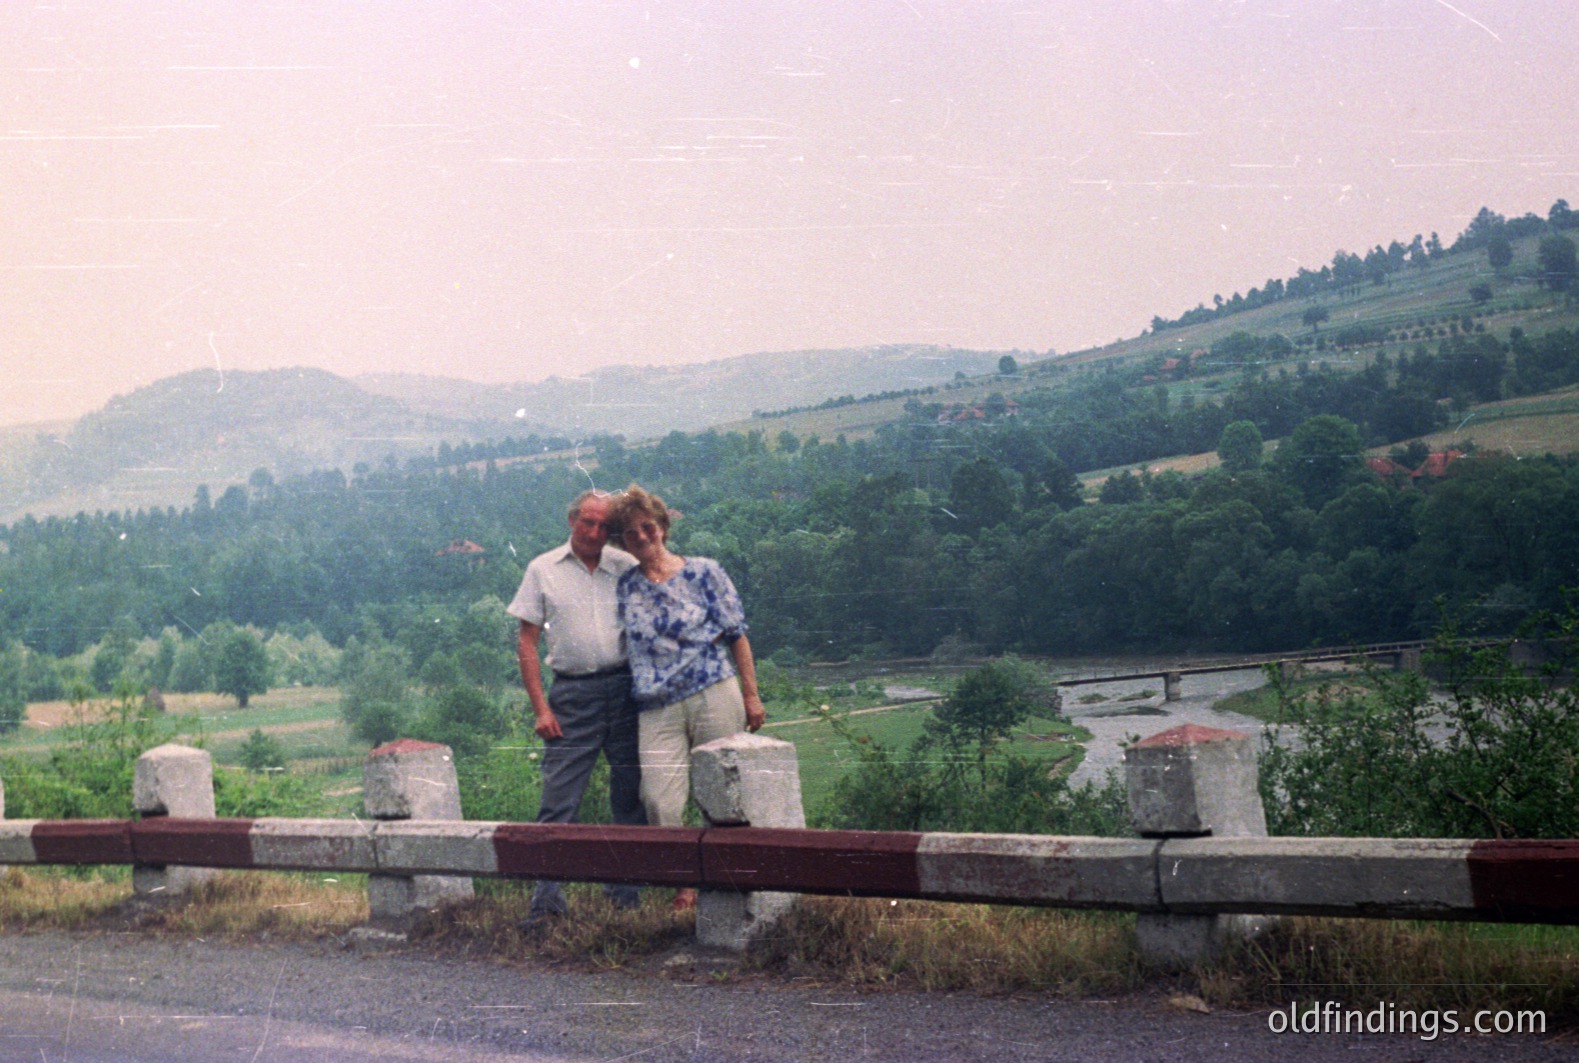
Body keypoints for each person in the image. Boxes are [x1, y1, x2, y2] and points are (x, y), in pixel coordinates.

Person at [609, 485, 765, 911]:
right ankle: (685, 883)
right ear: (621, 542)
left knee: (722, 790)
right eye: (629, 533)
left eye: (647, 527)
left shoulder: (704, 571)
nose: (641, 537)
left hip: (713, 690)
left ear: (662, 526)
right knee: (659, 799)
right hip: (656, 706)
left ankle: (729, 878)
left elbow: (737, 635)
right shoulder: (625, 585)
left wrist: (751, 696)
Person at [505, 489, 645, 929]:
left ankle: (626, 897)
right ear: (571, 521)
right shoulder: (542, 569)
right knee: (559, 797)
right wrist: (541, 709)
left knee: (630, 794)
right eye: (587, 522)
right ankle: (546, 902)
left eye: (605, 526)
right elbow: (527, 642)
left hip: (626, 691)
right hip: (572, 695)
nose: (594, 532)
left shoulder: (626, 566)